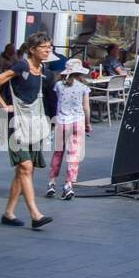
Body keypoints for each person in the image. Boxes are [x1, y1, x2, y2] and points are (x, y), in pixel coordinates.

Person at [0, 33, 57, 229]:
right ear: (32, 49)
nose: (48, 50)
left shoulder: (44, 71)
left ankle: (8, 213)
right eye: (44, 47)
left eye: (49, 46)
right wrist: (3, 105)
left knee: (22, 171)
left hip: (33, 124)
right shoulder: (22, 66)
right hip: (15, 125)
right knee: (26, 167)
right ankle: (35, 214)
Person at [47, 58, 92, 201]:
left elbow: (56, 102)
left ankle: (52, 182)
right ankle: (68, 185)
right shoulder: (83, 87)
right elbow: (86, 107)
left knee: (58, 153)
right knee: (73, 154)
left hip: (61, 121)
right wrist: (88, 123)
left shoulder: (59, 85)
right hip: (77, 121)